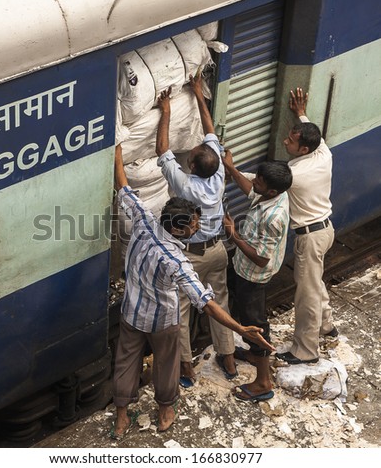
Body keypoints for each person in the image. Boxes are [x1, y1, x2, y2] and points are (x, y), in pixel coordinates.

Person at [111, 144, 275, 439]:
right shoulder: (176, 262)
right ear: (178, 230)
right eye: (194, 226)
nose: (197, 228)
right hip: (162, 322)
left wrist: (117, 152)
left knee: (125, 361)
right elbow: (208, 304)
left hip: (131, 314)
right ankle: (165, 409)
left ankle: (122, 417)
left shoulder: (143, 221)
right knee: (166, 364)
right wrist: (241, 328)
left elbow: (123, 186)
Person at [156, 71, 236, 388]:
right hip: (218, 251)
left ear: (191, 166)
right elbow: (210, 129)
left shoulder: (186, 185)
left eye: (188, 157)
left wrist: (166, 111)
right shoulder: (217, 172)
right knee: (220, 303)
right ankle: (228, 359)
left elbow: (162, 150)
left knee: (181, 312)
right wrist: (199, 94)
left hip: (191, 256)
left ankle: (186, 369)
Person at [222, 154, 292, 401]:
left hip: (254, 275)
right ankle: (253, 354)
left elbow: (261, 258)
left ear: (271, 190)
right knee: (245, 314)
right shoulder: (271, 194)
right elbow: (250, 189)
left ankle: (263, 382)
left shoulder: (274, 217)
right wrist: (231, 168)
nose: (254, 184)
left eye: (259, 183)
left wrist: (233, 235)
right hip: (243, 268)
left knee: (255, 325)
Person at [275, 87, 337, 365]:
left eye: (291, 140)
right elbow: (315, 136)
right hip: (325, 230)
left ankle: (306, 351)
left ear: (303, 150)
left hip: (310, 237)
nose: (286, 141)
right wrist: (300, 113)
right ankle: (327, 327)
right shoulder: (323, 153)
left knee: (306, 294)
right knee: (314, 282)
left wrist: (230, 170)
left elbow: (262, 183)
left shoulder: (294, 174)